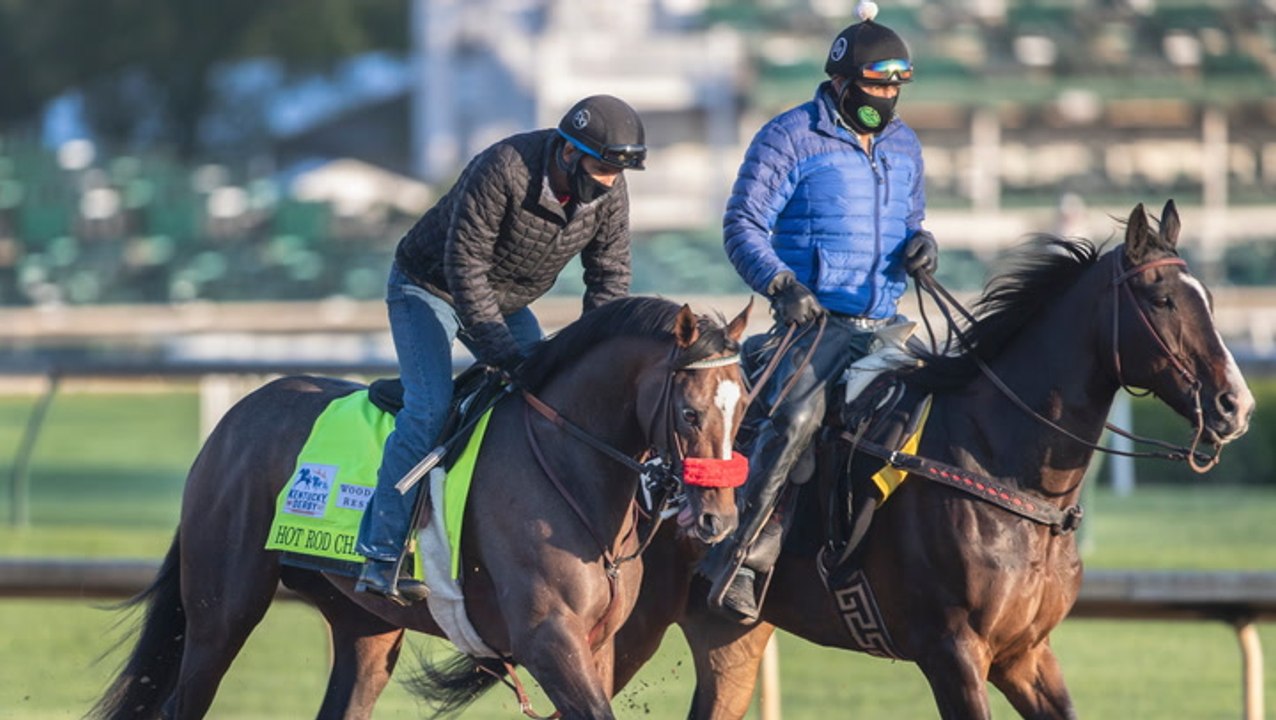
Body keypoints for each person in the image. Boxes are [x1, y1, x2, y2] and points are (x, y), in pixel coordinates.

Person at [355, 94, 647, 603]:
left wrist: (596, 360)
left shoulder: (610, 193)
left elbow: (609, 279)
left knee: (548, 400)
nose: (607, 182)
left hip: (507, 299)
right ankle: (380, 554)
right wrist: (501, 353)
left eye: (615, 173)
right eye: (600, 168)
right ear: (568, 153)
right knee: (430, 409)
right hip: (429, 285)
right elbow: (464, 268)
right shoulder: (503, 167)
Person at [702, 1, 938, 622]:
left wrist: (923, 244)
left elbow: (911, 220)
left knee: (948, 402)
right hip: (812, 326)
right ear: (840, 82)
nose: (887, 97)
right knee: (798, 417)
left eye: (896, 87)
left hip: (886, 323)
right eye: (876, 84)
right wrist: (779, 284)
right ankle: (740, 557)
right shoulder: (789, 136)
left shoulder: (906, 145)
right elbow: (742, 224)